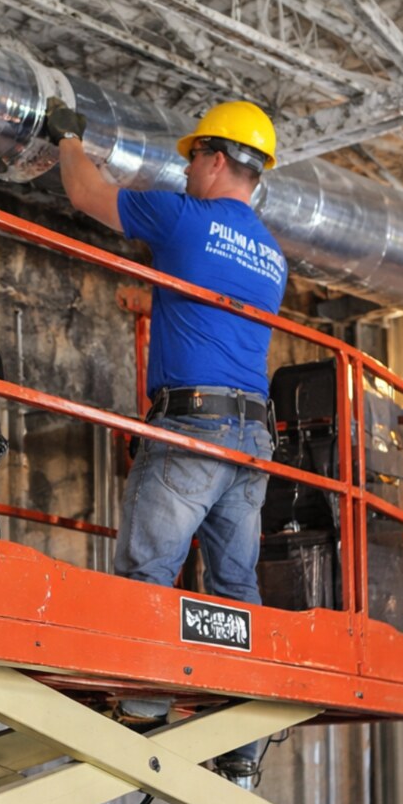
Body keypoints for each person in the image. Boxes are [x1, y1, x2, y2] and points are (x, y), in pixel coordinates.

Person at [46, 98, 287, 606]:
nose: (185, 167)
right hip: (252, 441)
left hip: (194, 430)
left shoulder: (183, 218)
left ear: (216, 160)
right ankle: (242, 688)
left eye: (193, 156)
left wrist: (66, 137)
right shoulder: (273, 257)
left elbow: (85, 192)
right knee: (237, 591)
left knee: (146, 582)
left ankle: (144, 692)